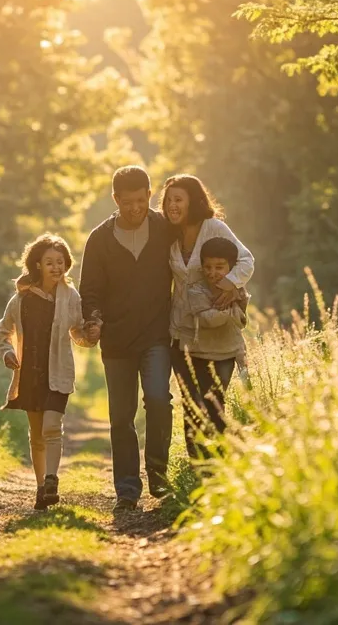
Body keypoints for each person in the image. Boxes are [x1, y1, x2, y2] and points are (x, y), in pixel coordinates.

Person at [79, 165, 175, 512]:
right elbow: (89, 291)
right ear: (115, 199)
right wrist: (94, 320)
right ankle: (127, 490)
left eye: (140, 200)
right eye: (126, 203)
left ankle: (160, 477)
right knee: (121, 416)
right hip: (117, 341)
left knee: (159, 400)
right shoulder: (100, 239)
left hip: (157, 335)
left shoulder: (166, 229)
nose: (134, 209)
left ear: (149, 195)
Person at [0, 233, 95, 510]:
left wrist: (91, 334)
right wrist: (7, 352)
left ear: (66, 265)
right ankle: (41, 489)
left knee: (52, 427)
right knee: (36, 435)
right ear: (37, 264)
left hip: (58, 373)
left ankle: (51, 479)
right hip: (29, 374)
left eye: (60, 262)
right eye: (49, 262)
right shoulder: (21, 298)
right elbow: (2, 333)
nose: (56, 267)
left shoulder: (70, 297)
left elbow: (79, 333)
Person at [160, 174, 254, 460]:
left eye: (179, 199)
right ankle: (197, 472)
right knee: (190, 406)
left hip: (219, 338)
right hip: (183, 334)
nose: (172, 205)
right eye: (168, 200)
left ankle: (217, 469)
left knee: (213, 405)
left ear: (194, 201)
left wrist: (229, 286)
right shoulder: (168, 232)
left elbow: (247, 260)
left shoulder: (213, 228)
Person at [174, 236, 249, 458]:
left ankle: (218, 456)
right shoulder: (196, 290)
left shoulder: (238, 289)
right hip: (199, 354)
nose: (213, 272)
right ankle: (198, 457)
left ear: (231, 268)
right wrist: (232, 308)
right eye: (207, 267)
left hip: (227, 354)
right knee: (196, 405)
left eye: (219, 267)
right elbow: (209, 319)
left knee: (217, 402)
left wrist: (234, 301)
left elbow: (242, 320)